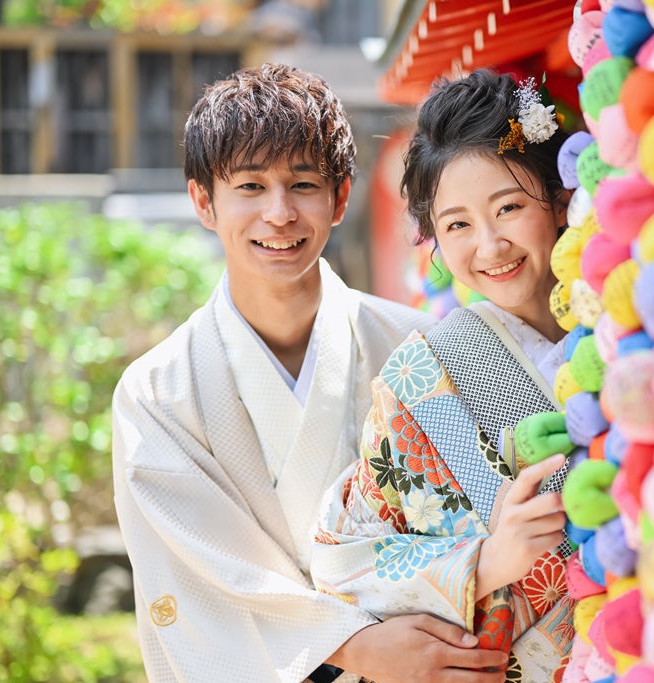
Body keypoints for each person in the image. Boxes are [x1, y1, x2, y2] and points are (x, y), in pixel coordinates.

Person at [111, 64, 511, 683]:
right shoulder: (157, 392)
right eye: (248, 186)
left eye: (302, 184)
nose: (279, 214)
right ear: (202, 201)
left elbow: (484, 518)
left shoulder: (421, 346)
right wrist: (352, 645)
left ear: (340, 198)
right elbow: (198, 572)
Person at [310, 69, 576, 683]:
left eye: (508, 208)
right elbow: (342, 558)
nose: (489, 247)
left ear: (560, 200)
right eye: (456, 224)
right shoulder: (424, 376)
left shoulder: (635, 322)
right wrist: (483, 563)